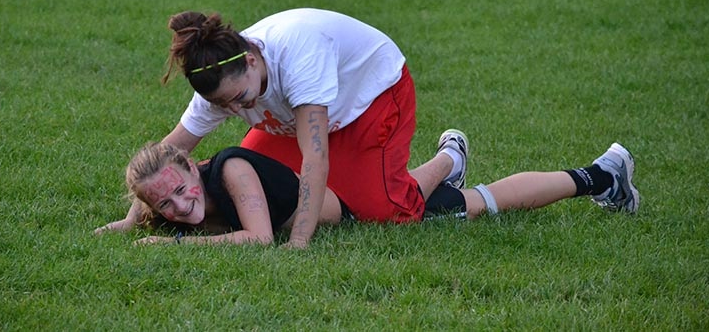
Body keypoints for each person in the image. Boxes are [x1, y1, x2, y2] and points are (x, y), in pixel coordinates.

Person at [95, 8, 637, 247]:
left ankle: (456, 163)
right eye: (226, 107)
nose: (239, 110)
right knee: (278, 176)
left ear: (253, 60)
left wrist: (299, 242)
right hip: (307, 121)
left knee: (392, 214)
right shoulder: (219, 79)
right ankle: (446, 163)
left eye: (242, 98)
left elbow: (316, 157)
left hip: (375, 97)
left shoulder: (296, 54)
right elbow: (167, 155)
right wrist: (130, 219)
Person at [114, 133, 639, 246]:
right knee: (429, 193)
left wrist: (175, 244)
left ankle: (603, 174)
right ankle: (450, 157)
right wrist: (125, 222)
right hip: (343, 185)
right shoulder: (174, 189)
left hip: (358, 205)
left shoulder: (231, 172)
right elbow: (153, 191)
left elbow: (258, 239)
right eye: (164, 205)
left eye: (181, 191)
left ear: (193, 166)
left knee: (478, 204)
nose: (180, 205)